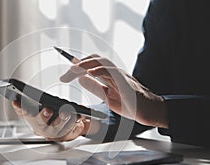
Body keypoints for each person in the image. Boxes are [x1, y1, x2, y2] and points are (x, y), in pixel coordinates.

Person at [12, 0, 210, 148]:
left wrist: (159, 109)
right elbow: (143, 104)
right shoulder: (167, 6)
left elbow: (154, 106)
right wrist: (85, 123)